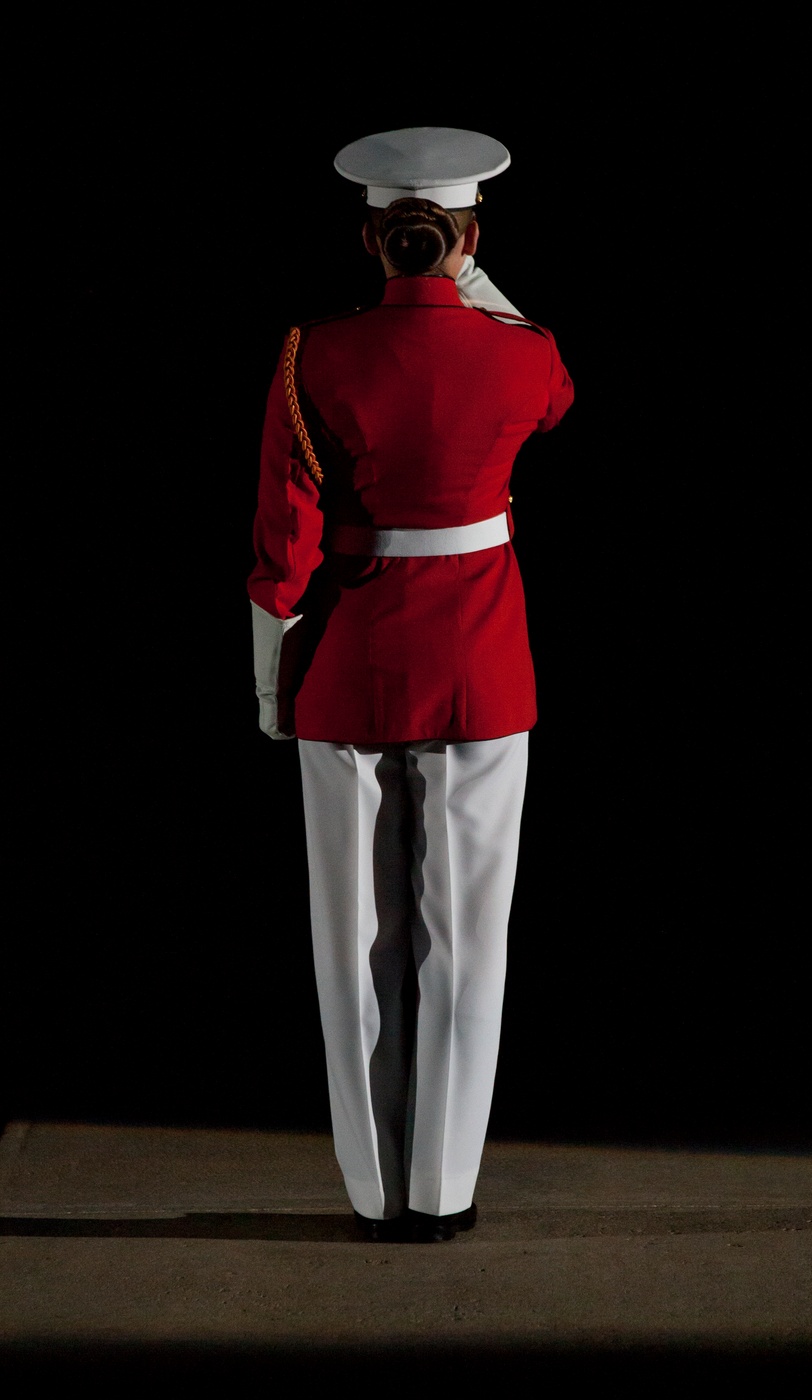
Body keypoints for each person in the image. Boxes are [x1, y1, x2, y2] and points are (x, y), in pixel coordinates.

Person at [249, 128, 574, 1242]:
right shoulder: (524, 353)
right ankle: (441, 1192)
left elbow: (281, 544)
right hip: (484, 660)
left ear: (369, 240)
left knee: (350, 938)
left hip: (349, 657)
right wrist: (469, 277)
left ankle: (370, 1192)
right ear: (469, 236)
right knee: (467, 938)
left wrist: (266, 684)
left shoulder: (314, 353)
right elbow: (555, 390)